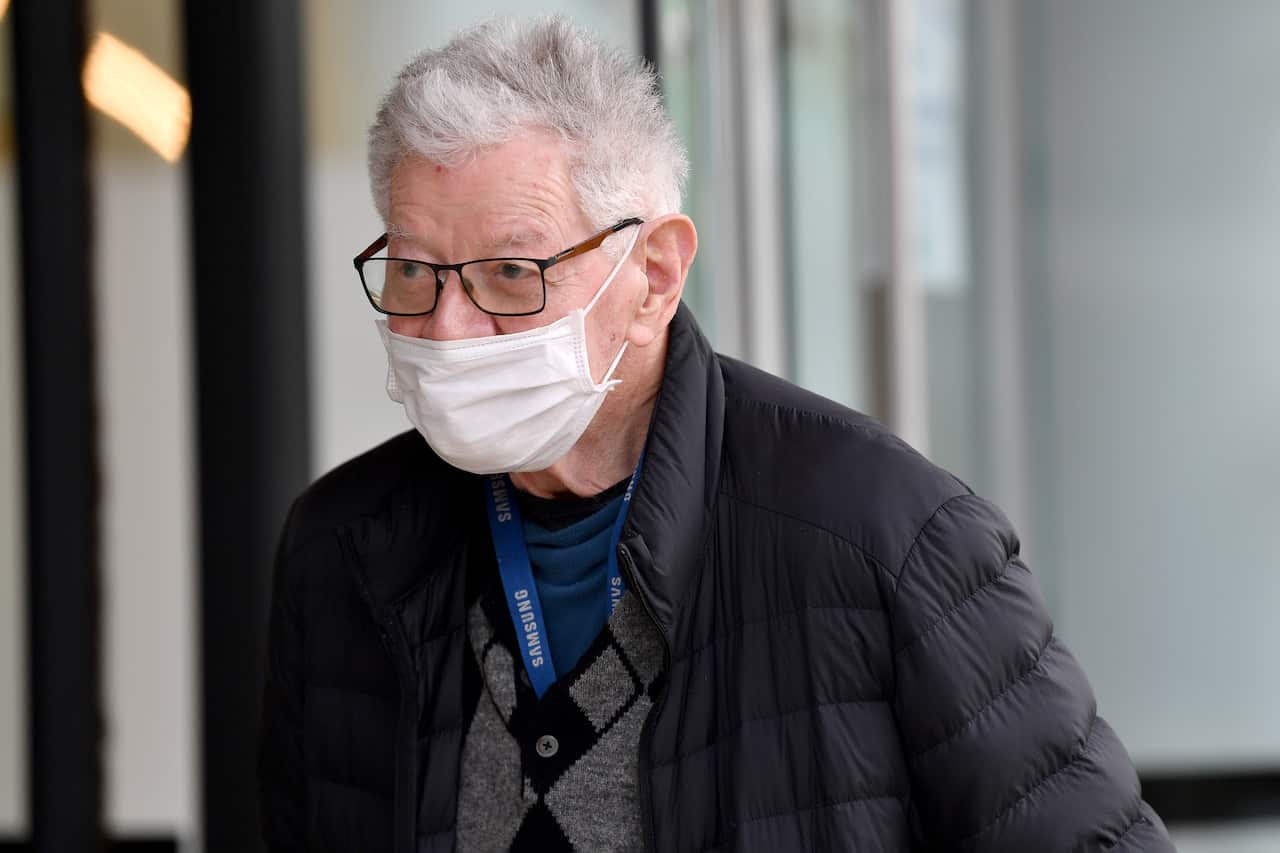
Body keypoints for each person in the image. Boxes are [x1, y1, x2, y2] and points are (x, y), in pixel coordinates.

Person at [258, 16, 1174, 853]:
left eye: (509, 272)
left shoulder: (881, 533)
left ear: (654, 276)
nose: (450, 329)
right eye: (415, 272)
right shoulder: (343, 549)